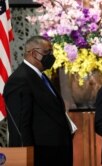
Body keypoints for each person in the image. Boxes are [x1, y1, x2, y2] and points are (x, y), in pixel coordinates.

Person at [3, 36, 73, 166]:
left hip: (56, 153)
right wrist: (26, 158)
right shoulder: (19, 80)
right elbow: (20, 126)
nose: (51, 56)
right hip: (40, 156)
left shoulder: (40, 76)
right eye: (47, 53)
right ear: (34, 53)